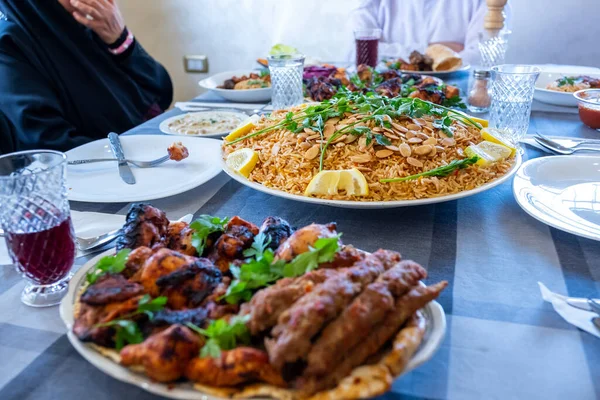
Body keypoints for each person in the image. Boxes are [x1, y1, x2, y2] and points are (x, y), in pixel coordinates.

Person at [0, 0, 173, 153]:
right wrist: (136, 154)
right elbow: (49, 143)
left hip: (144, 151)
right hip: (100, 176)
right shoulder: (10, 42)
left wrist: (121, 40)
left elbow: (160, 92)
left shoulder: (84, 21)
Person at [349, 0, 511, 65]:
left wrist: (395, 53)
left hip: (459, 104)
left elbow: (481, 59)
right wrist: (432, 50)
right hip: (385, 100)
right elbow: (357, 53)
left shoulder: (489, 3)